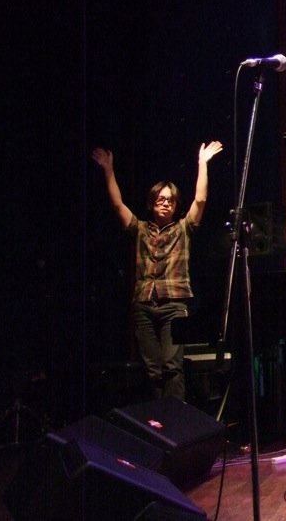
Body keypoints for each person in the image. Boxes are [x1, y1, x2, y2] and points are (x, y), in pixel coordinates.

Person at [91, 141, 223, 401]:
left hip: (174, 304)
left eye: (170, 200)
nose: (165, 203)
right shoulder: (140, 229)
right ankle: (157, 418)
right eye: (161, 199)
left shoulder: (183, 228)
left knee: (172, 366)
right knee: (152, 370)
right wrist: (108, 169)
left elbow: (200, 199)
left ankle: (174, 420)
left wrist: (202, 164)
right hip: (144, 305)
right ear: (152, 203)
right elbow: (117, 204)